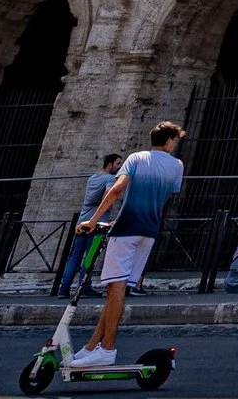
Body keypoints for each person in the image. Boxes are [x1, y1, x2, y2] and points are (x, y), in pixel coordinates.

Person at [72, 120, 187, 367]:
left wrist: (92, 221)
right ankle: (92, 346)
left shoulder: (136, 158)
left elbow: (116, 190)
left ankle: (108, 349)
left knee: (115, 287)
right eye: (175, 141)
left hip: (127, 228)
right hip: (150, 231)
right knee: (118, 291)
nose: (175, 146)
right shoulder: (177, 166)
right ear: (169, 140)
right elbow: (167, 196)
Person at [60, 154, 124, 294]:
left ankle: (63, 289)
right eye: (118, 164)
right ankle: (84, 287)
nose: (120, 167)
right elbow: (109, 194)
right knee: (90, 255)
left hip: (82, 221)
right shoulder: (109, 178)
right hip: (97, 223)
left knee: (75, 256)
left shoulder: (93, 178)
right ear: (110, 164)